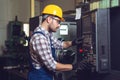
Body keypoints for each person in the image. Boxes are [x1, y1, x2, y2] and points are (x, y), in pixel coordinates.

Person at [28, 4, 82, 80]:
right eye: (58, 21)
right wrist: (74, 66)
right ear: (49, 19)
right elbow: (52, 65)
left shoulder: (47, 34)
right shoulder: (39, 38)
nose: (59, 25)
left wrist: (73, 43)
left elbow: (60, 44)